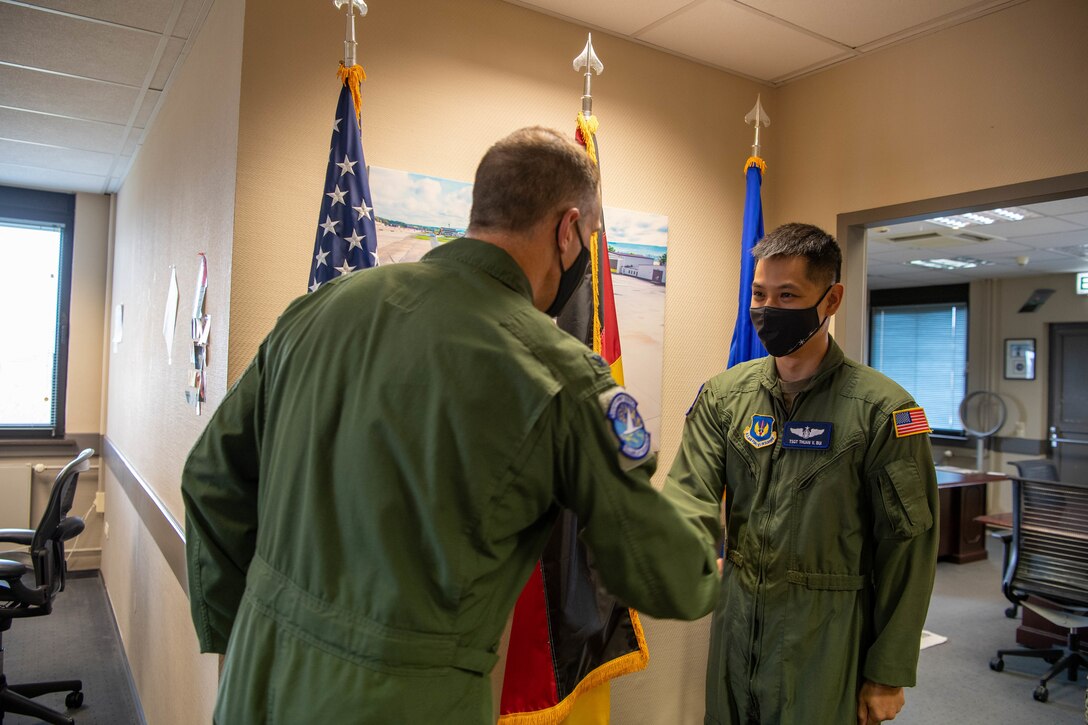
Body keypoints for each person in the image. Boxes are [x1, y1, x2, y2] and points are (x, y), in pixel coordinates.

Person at [181, 126, 720, 724]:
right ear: (567, 230)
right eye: (588, 238)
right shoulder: (559, 374)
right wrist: (706, 558)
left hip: (256, 684)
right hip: (401, 706)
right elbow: (657, 570)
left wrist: (246, 628)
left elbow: (210, 478)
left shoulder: (324, 306)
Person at [665, 223, 939, 725]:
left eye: (787, 295)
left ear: (831, 299)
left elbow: (908, 549)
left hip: (826, 636)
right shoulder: (724, 397)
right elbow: (689, 493)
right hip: (737, 628)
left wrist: (888, 672)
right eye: (759, 294)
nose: (768, 309)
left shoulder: (883, 411)